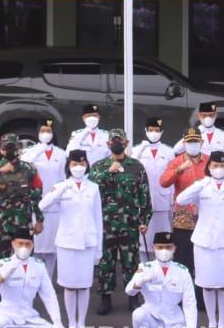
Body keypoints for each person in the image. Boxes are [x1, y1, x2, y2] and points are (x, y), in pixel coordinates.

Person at [176, 150, 224, 328]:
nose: (219, 169)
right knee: (206, 285)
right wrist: (199, 184)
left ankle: (222, 323)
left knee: (223, 285)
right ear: (209, 167)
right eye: (214, 166)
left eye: (222, 166)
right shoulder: (202, 186)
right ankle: (211, 324)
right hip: (204, 241)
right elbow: (181, 200)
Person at [37, 150, 104, 328]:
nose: (79, 168)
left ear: (87, 165)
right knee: (69, 285)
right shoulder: (62, 186)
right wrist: (57, 192)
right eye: (75, 165)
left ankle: (81, 324)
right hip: (67, 242)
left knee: (83, 285)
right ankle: (70, 324)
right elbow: (42, 205)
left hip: (87, 242)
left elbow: (98, 219)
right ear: (68, 166)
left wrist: (99, 247)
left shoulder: (93, 188)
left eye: (82, 164)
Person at [89, 127, 149, 316]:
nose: (116, 144)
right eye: (113, 141)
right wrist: (109, 171)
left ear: (126, 144)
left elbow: (144, 195)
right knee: (106, 262)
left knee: (130, 262)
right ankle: (105, 298)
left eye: (120, 141)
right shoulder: (99, 166)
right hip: (105, 223)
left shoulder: (136, 166)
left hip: (129, 223)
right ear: (108, 144)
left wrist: (145, 219)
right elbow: (90, 188)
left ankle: (133, 296)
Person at [0, 227, 67, 328]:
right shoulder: (5, 262)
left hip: (28, 317)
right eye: (20, 244)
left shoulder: (38, 266)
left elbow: (49, 295)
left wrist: (57, 321)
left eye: (28, 244)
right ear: (13, 244)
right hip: (8, 316)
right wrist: (7, 270)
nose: (24, 247)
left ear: (32, 246)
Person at [126, 231, 199, 328]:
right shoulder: (145, 267)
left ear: (174, 248)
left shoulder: (183, 272)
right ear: (153, 248)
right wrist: (140, 281)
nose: (164, 250)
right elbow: (129, 291)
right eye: (160, 247)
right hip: (151, 317)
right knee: (138, 314)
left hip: (173, 320)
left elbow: (189, 304)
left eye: (168, 247)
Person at [0, 132, 44, 271]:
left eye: (13, 147)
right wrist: (0, 171)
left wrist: (39, 219)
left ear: (19, 148)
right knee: (0, 262)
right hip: (1, 224)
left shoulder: (29, 168)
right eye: (6, 148)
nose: (10, 151)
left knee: (25, 260)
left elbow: (37, 195)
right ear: (0, 149)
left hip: (23, 223)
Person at [159, 128, 209, 275]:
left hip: (205, 215)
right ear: (184, 143)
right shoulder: (176, 162)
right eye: (189, 141)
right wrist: (179, 169)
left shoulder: (209, 161)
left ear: (202, 142)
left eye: (195, 141)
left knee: (202, 258)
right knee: (183, 259)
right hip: (183, 217)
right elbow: (163, 182)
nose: (193, 144)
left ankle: (201, 294)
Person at [24, 119, 68, 279]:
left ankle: (48, 280)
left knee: (52, 248)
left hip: (55, 205)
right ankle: (34, 279)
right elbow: (25, 166)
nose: (46, 134)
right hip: (37, 204)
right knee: (37, 247)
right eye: (43, 130)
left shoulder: (61, 154)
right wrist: (39, 150)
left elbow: (64, 178)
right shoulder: (31, 152)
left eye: (48, 131)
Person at [131, 115, 174, 257]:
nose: (154, 133)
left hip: (163, 202)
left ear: (162, 132)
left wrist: (172, 201)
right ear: (145, 130)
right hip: (143, 203)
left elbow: (171, 177)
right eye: (151, 129)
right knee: (144, 243)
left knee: (162, 240)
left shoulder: (168, 152)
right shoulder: (138, 150)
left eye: (157, 130)